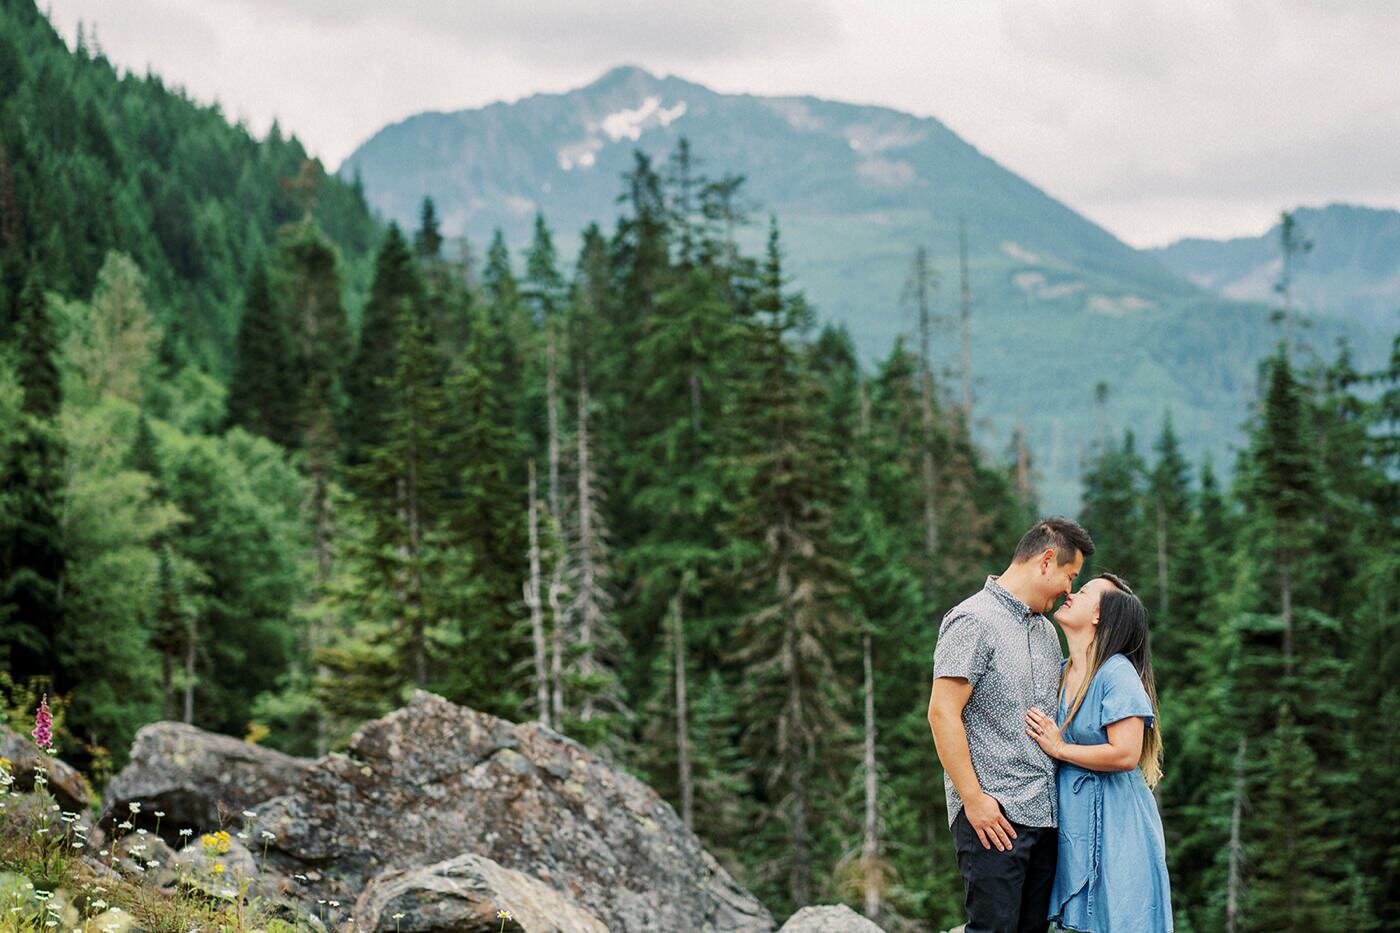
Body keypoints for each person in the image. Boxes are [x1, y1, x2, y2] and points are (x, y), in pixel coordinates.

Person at [929, 517, 1095, 933]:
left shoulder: (1044, 630)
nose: (1069, 590)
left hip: (1045, 817)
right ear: (1046, 561)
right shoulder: (972, 620)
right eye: (1069, 576)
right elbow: (941, 713)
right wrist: (974, 799)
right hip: (994, 818)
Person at [1025, 573, 1173, 932]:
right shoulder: (1062, 673)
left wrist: (1060, 748)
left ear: (1099, 617)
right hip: (1077, 822)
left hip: (1119, 823)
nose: (1072, 593)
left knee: (1120, 918)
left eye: (1085, 590)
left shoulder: (1115, 672)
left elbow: (1125, 753)